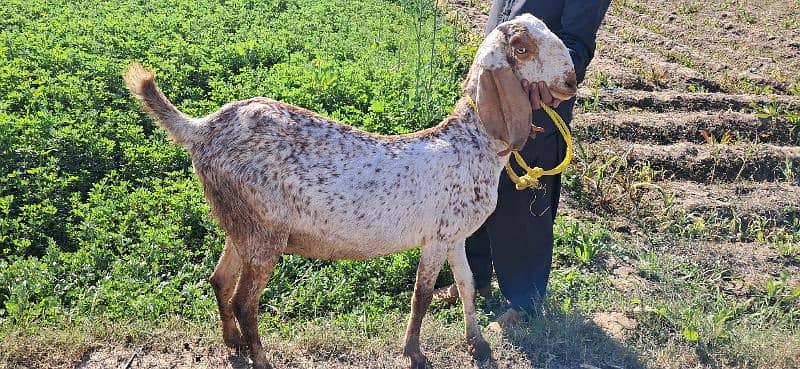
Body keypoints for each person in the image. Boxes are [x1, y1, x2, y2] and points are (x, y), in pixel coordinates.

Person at [435, 0, 611, 329]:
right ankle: (477, 280)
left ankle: (525, 303)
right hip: (490, 105)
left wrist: (548, 82)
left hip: (536, 113)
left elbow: (577, 44)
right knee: (478, 192)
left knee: (524, 208)